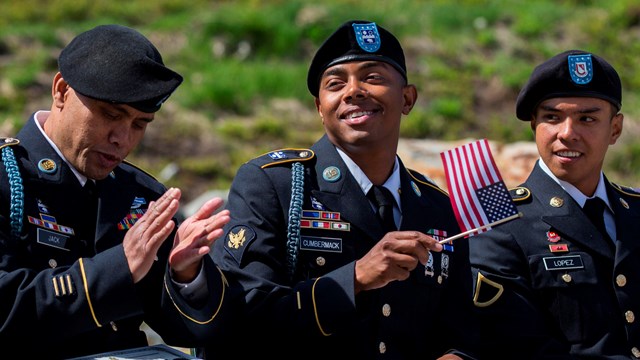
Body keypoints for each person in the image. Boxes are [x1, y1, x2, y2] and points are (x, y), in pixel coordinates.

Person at [202, 20, 479, 359]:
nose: (353, 91)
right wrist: (356, 278)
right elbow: (245, 313)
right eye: (335, 83)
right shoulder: (274, 184)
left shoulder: (438, 206)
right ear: (320, 108)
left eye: (373, 78)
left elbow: (465, 331)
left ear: (408, 98)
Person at [0, 24, 233, 359]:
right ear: (62, 91)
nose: (122, 139)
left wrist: (185, 276)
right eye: (111, 114)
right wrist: (120, 267)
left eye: (140, 124)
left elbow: (192, 329)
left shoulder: (142, 194)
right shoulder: (7, 176)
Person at [469, 50, 640, 359]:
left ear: (614, 129)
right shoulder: (498, 217)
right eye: (552, 117)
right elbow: (513, 345)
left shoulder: (636, 210)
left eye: (587, 118)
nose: (567, 133)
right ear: (534, 124)